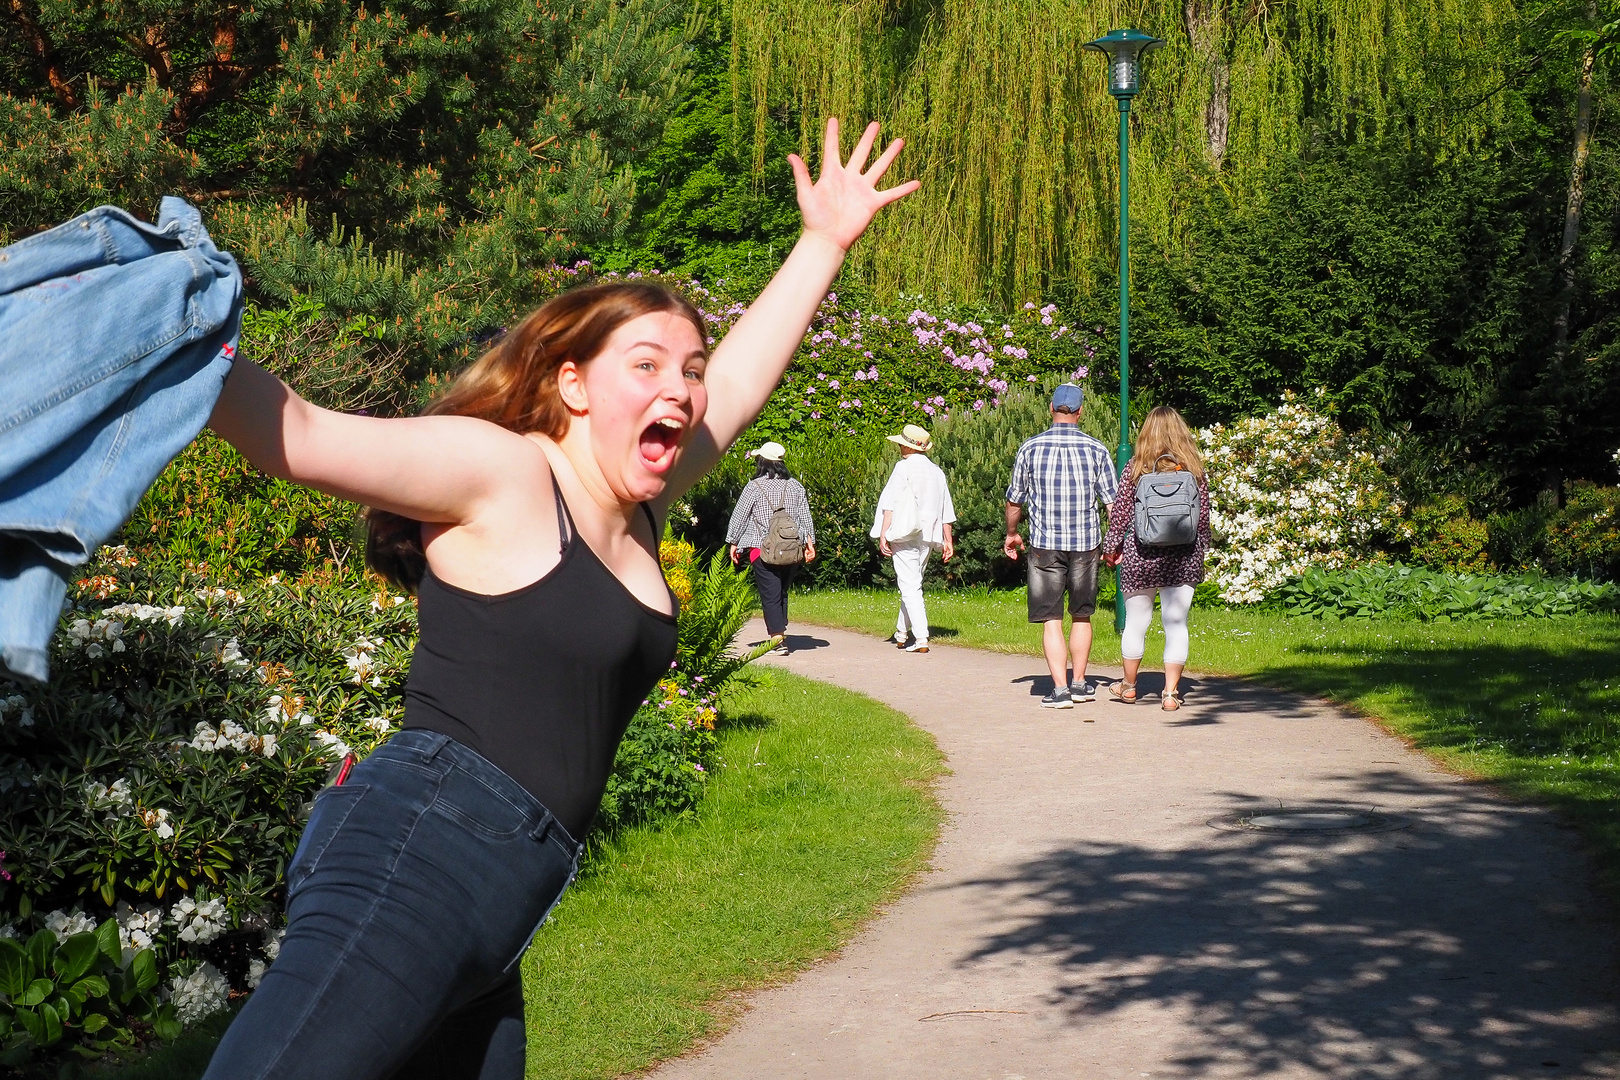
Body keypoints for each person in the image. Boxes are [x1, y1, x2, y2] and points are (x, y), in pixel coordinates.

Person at [197, 117, 917, 1080]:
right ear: (572, 384)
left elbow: (741, 382)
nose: (683, 388)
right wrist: (175, 339)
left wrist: (824, 241)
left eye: (688, 370)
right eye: (648, 366)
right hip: (422, 845)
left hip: (508, 892)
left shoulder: (637, 501)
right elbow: (304, 434)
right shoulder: (506, 473)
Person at [1003, 384, 1117, 709]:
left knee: (1051, 617)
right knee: (1082, 615)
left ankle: (1060, 690)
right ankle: (1080, 683)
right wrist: (1114, 543)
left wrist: (1012, 532)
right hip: (1086, 544)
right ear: (1081, 412)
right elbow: (1112, 504)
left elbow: (1015, 500)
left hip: (1044, 545)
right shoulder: (1097, 449)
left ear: (1050, 407)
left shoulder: (1031, 447)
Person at [1101, 406, 1212, 712]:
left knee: (1136, 622)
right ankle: (1171, 694)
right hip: (1183, 556)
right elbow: (1203, 518)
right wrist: (1200, 550)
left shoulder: (1136, 468)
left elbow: (1121, 512)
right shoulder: (1194, 470)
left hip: (1141, 554)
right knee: (1176, 624)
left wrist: (1111, 547)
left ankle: (1129, 686)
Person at [726, 441, 816, 654]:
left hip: (761, 547)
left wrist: (733, 541)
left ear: (762, 462)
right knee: (782, 590)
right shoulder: (795, 486)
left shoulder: (754, 487)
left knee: (770, 592)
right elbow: (805, 517)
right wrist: (810, 542)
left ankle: (777, 637)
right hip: (792, 548)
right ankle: (780, 629)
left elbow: (739, 516)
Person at [872, 424, 955, 653]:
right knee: (912, 583)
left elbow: (890, 503)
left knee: (910, 586)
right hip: (929, 535)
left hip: (904, 531)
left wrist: (883, 534)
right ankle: (901, 632)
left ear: (906, 447)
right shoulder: (937, 472)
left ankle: (921, 638)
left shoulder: (903, 468)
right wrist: (948, 539)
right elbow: (946, 509)